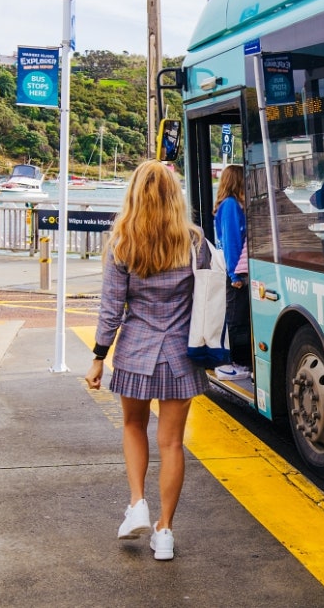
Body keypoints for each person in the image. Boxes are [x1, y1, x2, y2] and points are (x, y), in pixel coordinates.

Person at [84, 159, 209, 561]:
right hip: (180, 356)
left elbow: (110, 308)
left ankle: (137, 503)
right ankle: (166, 532)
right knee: (172, 443)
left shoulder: (122, 241)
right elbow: (206, 298)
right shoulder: (193, 241)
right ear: (175, 196)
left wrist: (99, 357)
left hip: (136, 351)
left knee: (133, 426)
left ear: (134, 195)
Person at [212, 164, 252, 380]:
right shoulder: (231, 205)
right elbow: (231, 242)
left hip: (237, 269)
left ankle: (242, 361)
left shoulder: (232, 204)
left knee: (240, 317)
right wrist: (234, 275)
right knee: (237, 318)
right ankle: (240, 362)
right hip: (236, 271)